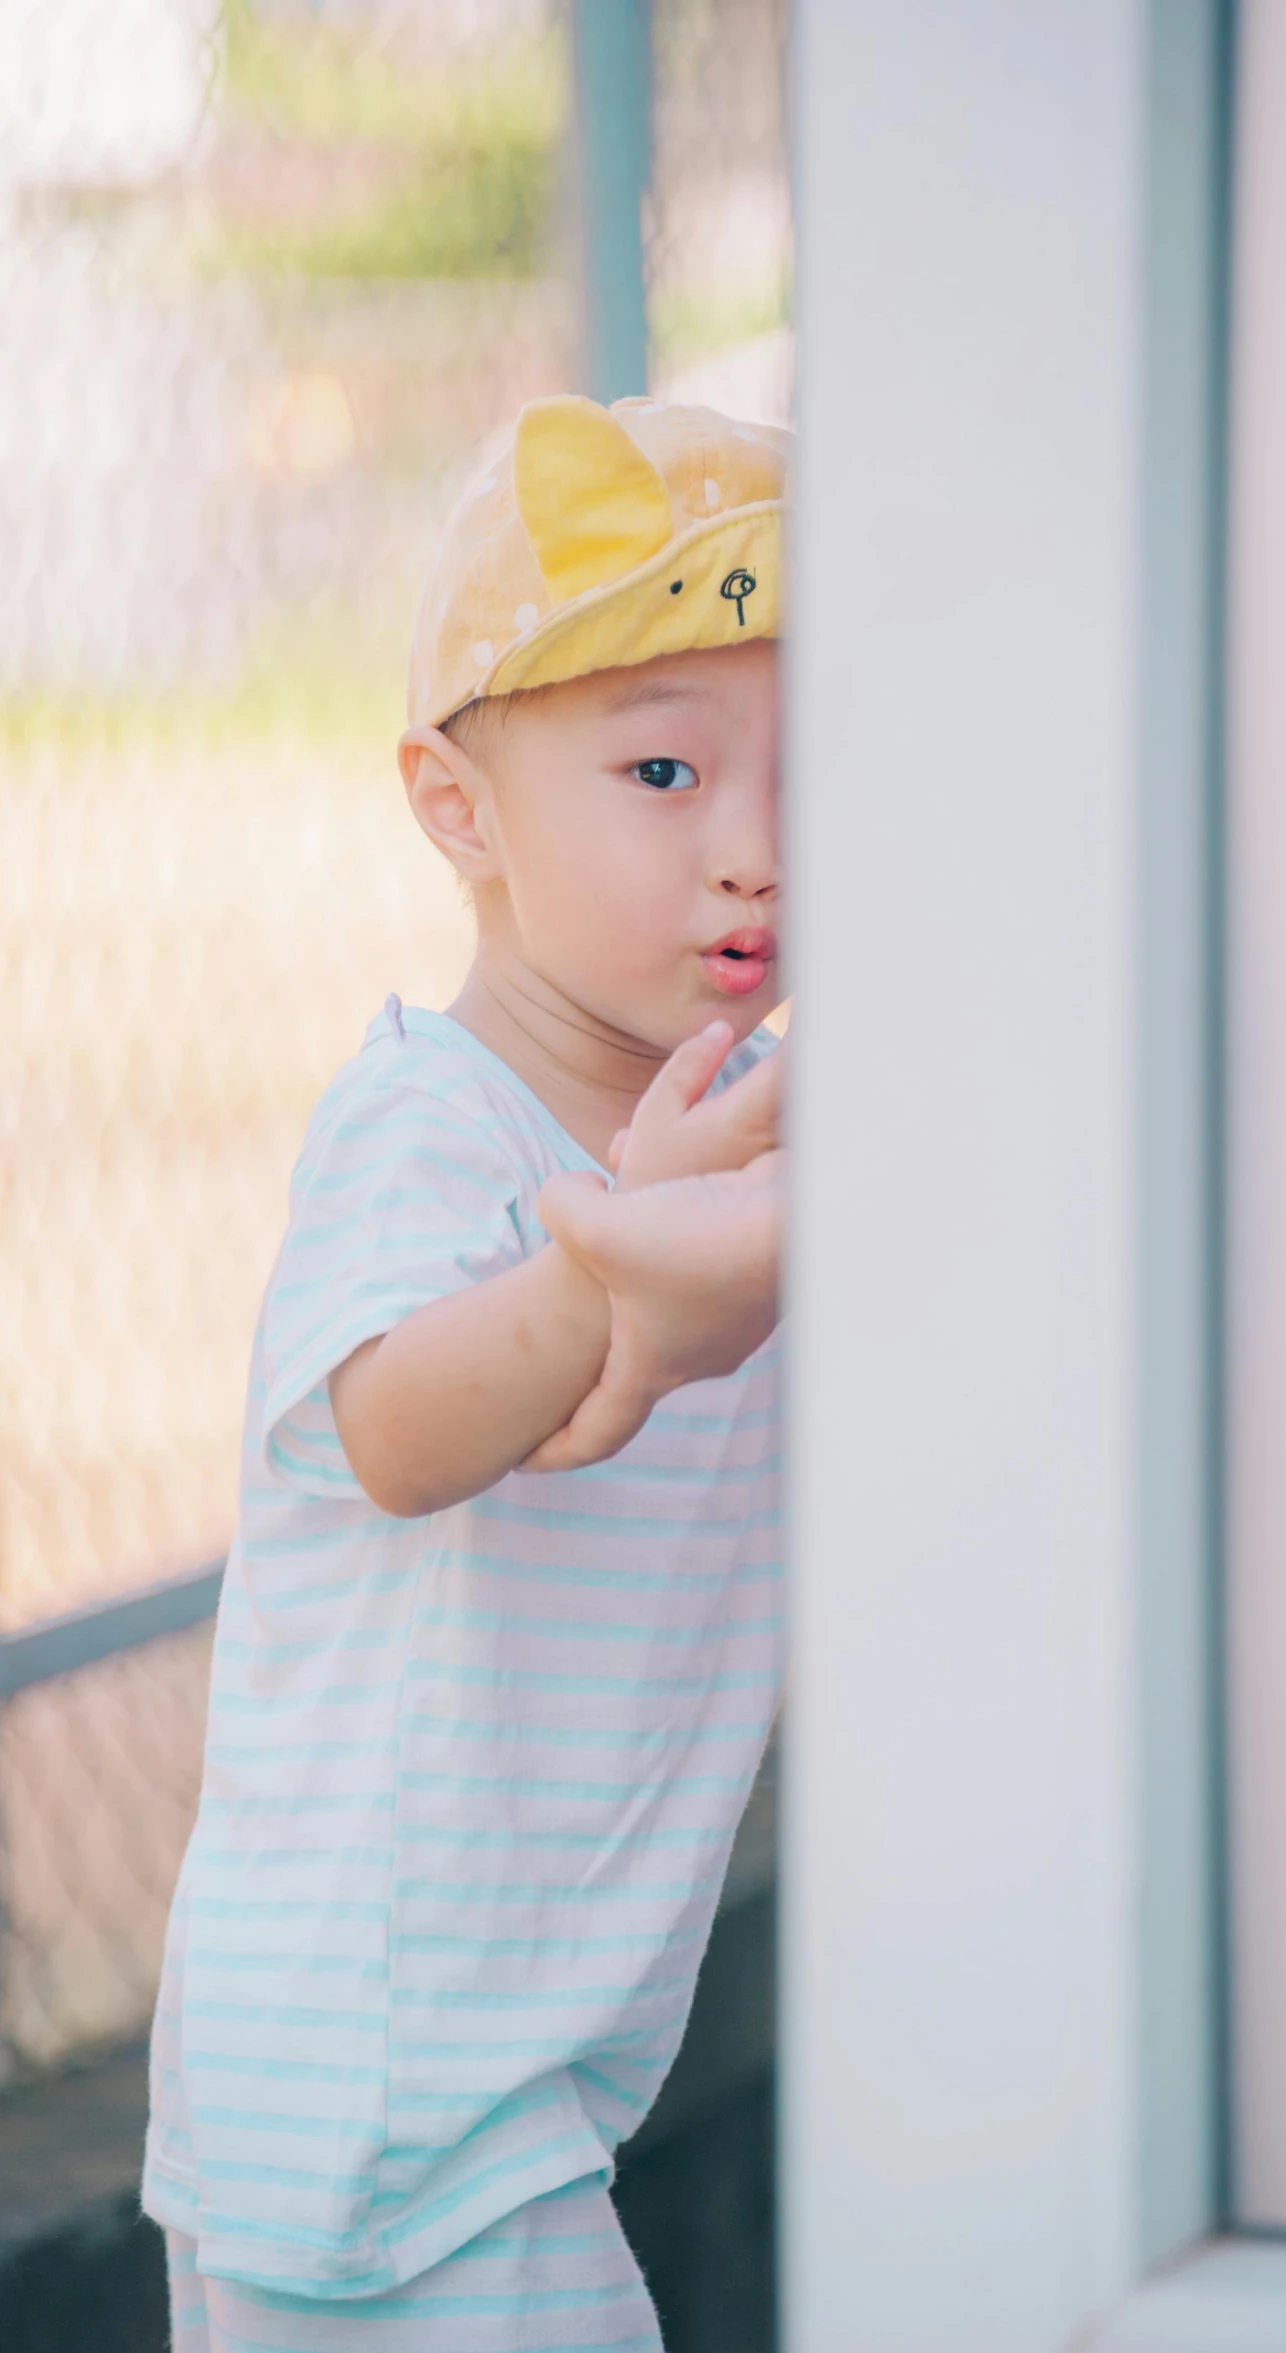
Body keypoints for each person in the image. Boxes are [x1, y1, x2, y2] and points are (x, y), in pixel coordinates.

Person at [143, 392, 790, 2350]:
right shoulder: (436, 1128)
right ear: (459, 810)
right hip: (389, 2110)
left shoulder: (755, 1118)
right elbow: (392, 1427)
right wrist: (612, 1259)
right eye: (665, 768)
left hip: (493, 2100)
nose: (756, 851)